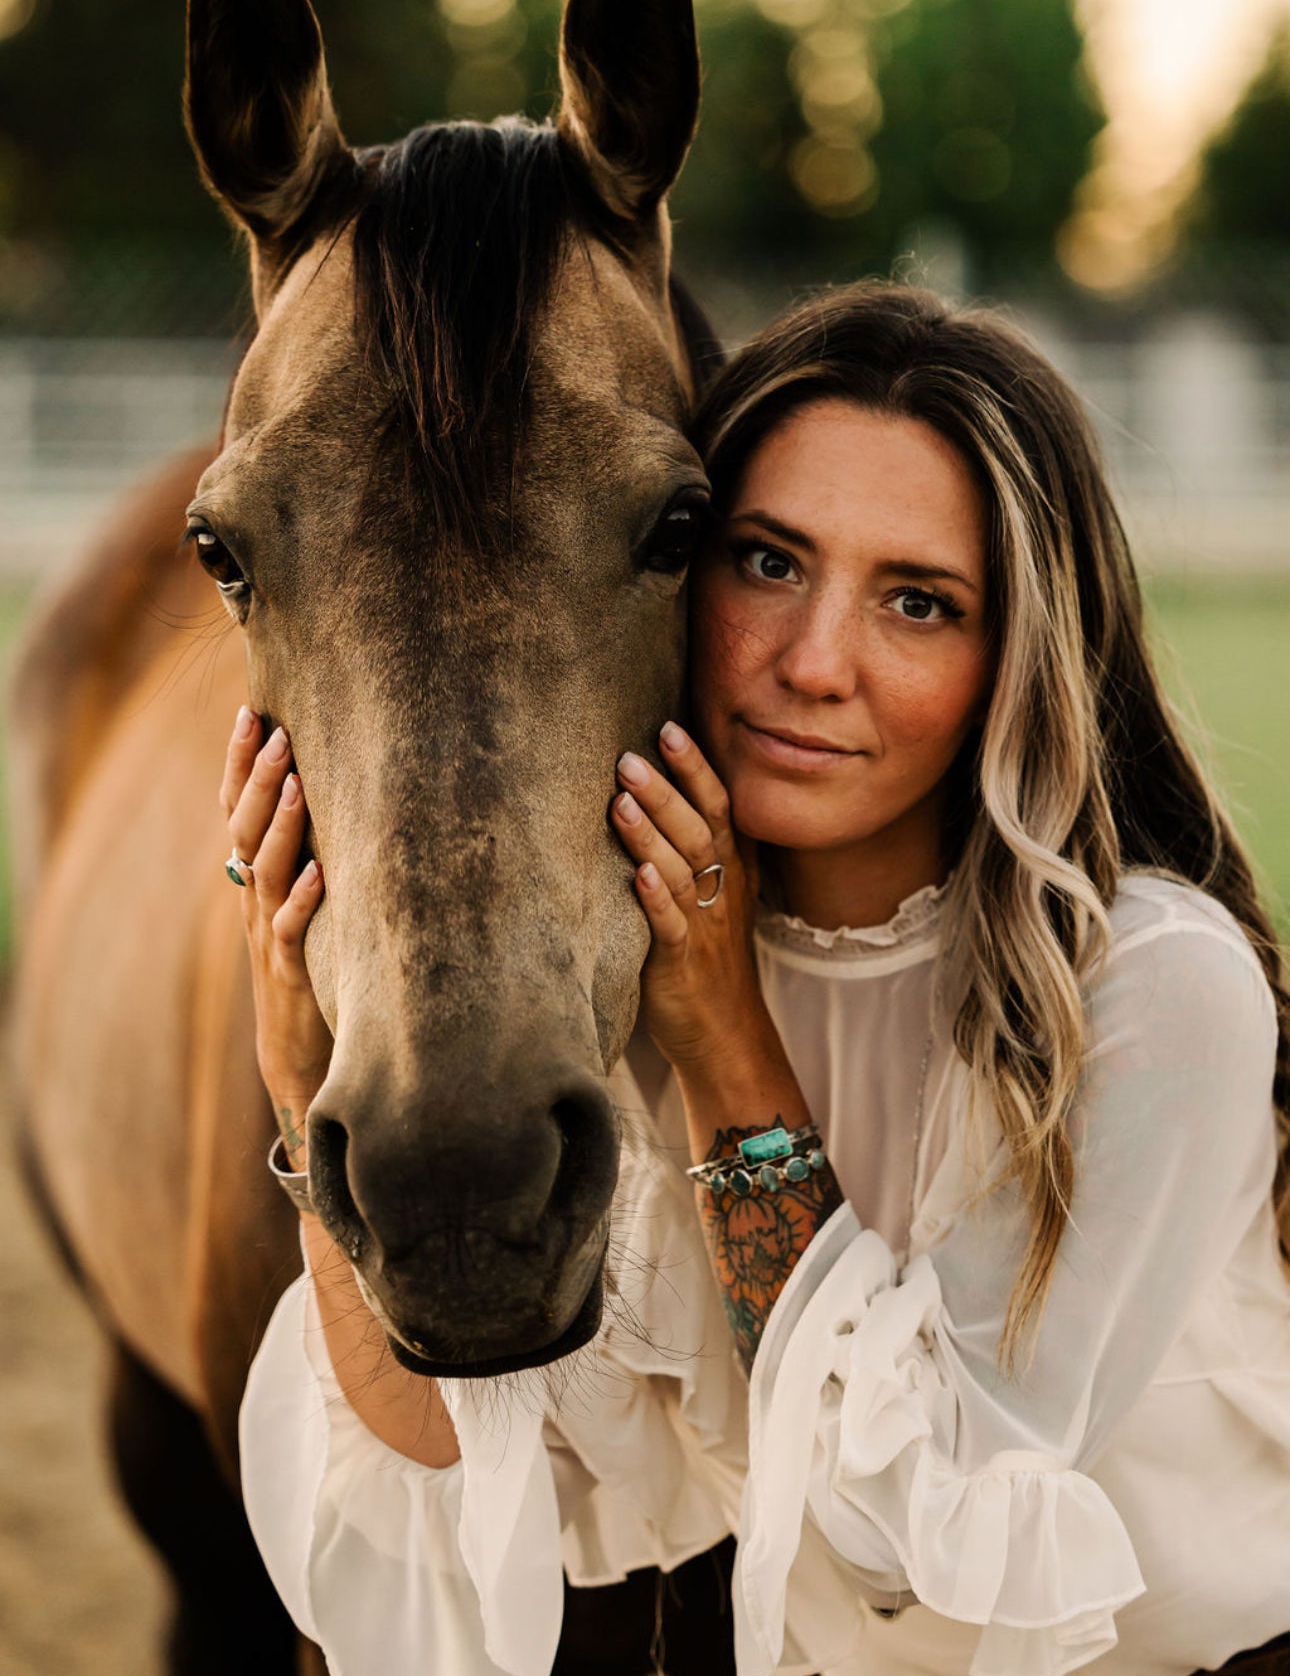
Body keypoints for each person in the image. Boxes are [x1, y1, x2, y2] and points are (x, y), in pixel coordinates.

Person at [223, 284, 1290, 1675]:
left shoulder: (1150, 986)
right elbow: (455, 1490)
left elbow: (911, 1551)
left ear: (1014, 654)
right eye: (768, 564)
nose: (810, 665)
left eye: (917, 601)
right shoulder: (641, 979)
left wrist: (730, 1050)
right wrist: (310, 1090)